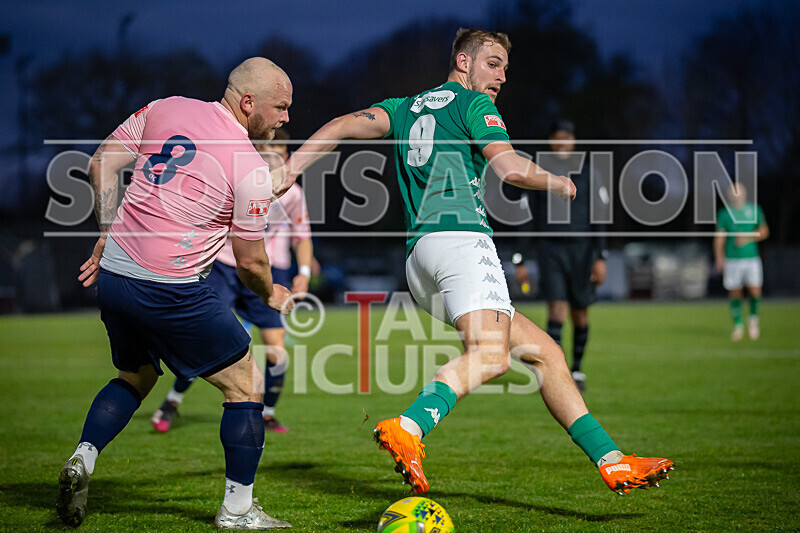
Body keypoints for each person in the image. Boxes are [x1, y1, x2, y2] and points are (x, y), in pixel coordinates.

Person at [276, 29, 673, 496]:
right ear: (463, 62)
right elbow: (509, 169)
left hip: (420, 261)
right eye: (493, 63)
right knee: (491, 355)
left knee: (546, 353)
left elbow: (342, 124)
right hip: (462, 244)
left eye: (506, 67)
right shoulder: (474, 106)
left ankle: (613, 461)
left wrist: (290, 168)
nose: (502, 76)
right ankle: (410, 426)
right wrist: (560, 182)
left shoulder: (402, 108)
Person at [58, 57, 295, 529]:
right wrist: (271, 294)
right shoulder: (249, 167)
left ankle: (83, 457)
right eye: (281, 107)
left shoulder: (167, 107)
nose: (287, 118)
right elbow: (250, 262)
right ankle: (238, 510)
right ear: (248, 103)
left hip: (116, 276)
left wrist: (108, 230)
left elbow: (101, 162)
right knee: (245, 383)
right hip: (169, 287)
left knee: (137, 375)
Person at [151, 129, 314, 433]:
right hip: (226, 267)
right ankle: (172, 401)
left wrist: (303, 274)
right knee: (206, 339)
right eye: (263, 152)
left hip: (270, 272)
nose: (268, 160)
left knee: (277, 348)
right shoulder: (239, 181)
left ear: (287, 158)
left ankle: (267, 413)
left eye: (276, 154)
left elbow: (303, 237)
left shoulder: (293, 194)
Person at [513, 120, 609, 392]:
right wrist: (520, 259)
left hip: (582, 251)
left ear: (574, 141)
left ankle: (577, 369)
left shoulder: (589, 174)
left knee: (580, 313)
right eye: (557, 137)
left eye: (567, 137)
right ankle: (556, 371)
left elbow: (599, 218)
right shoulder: (540, 175)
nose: (563, 142)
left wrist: (600, 256)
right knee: (556, 309)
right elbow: (527, 219)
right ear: (551, 141)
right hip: (550, 249)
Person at [714, 183, 769, 341]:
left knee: (755, 291)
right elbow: (720, 237)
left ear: (744, 194)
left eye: (739, 192)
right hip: (732, 260)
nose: (736, 195)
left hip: (751, 258)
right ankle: (738, 326)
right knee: (735, 293)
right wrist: (719, 256)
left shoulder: (754, 210)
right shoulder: (724, 214)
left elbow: (764, 231)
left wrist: (747, 237)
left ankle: (753, 321)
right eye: (733, 193)